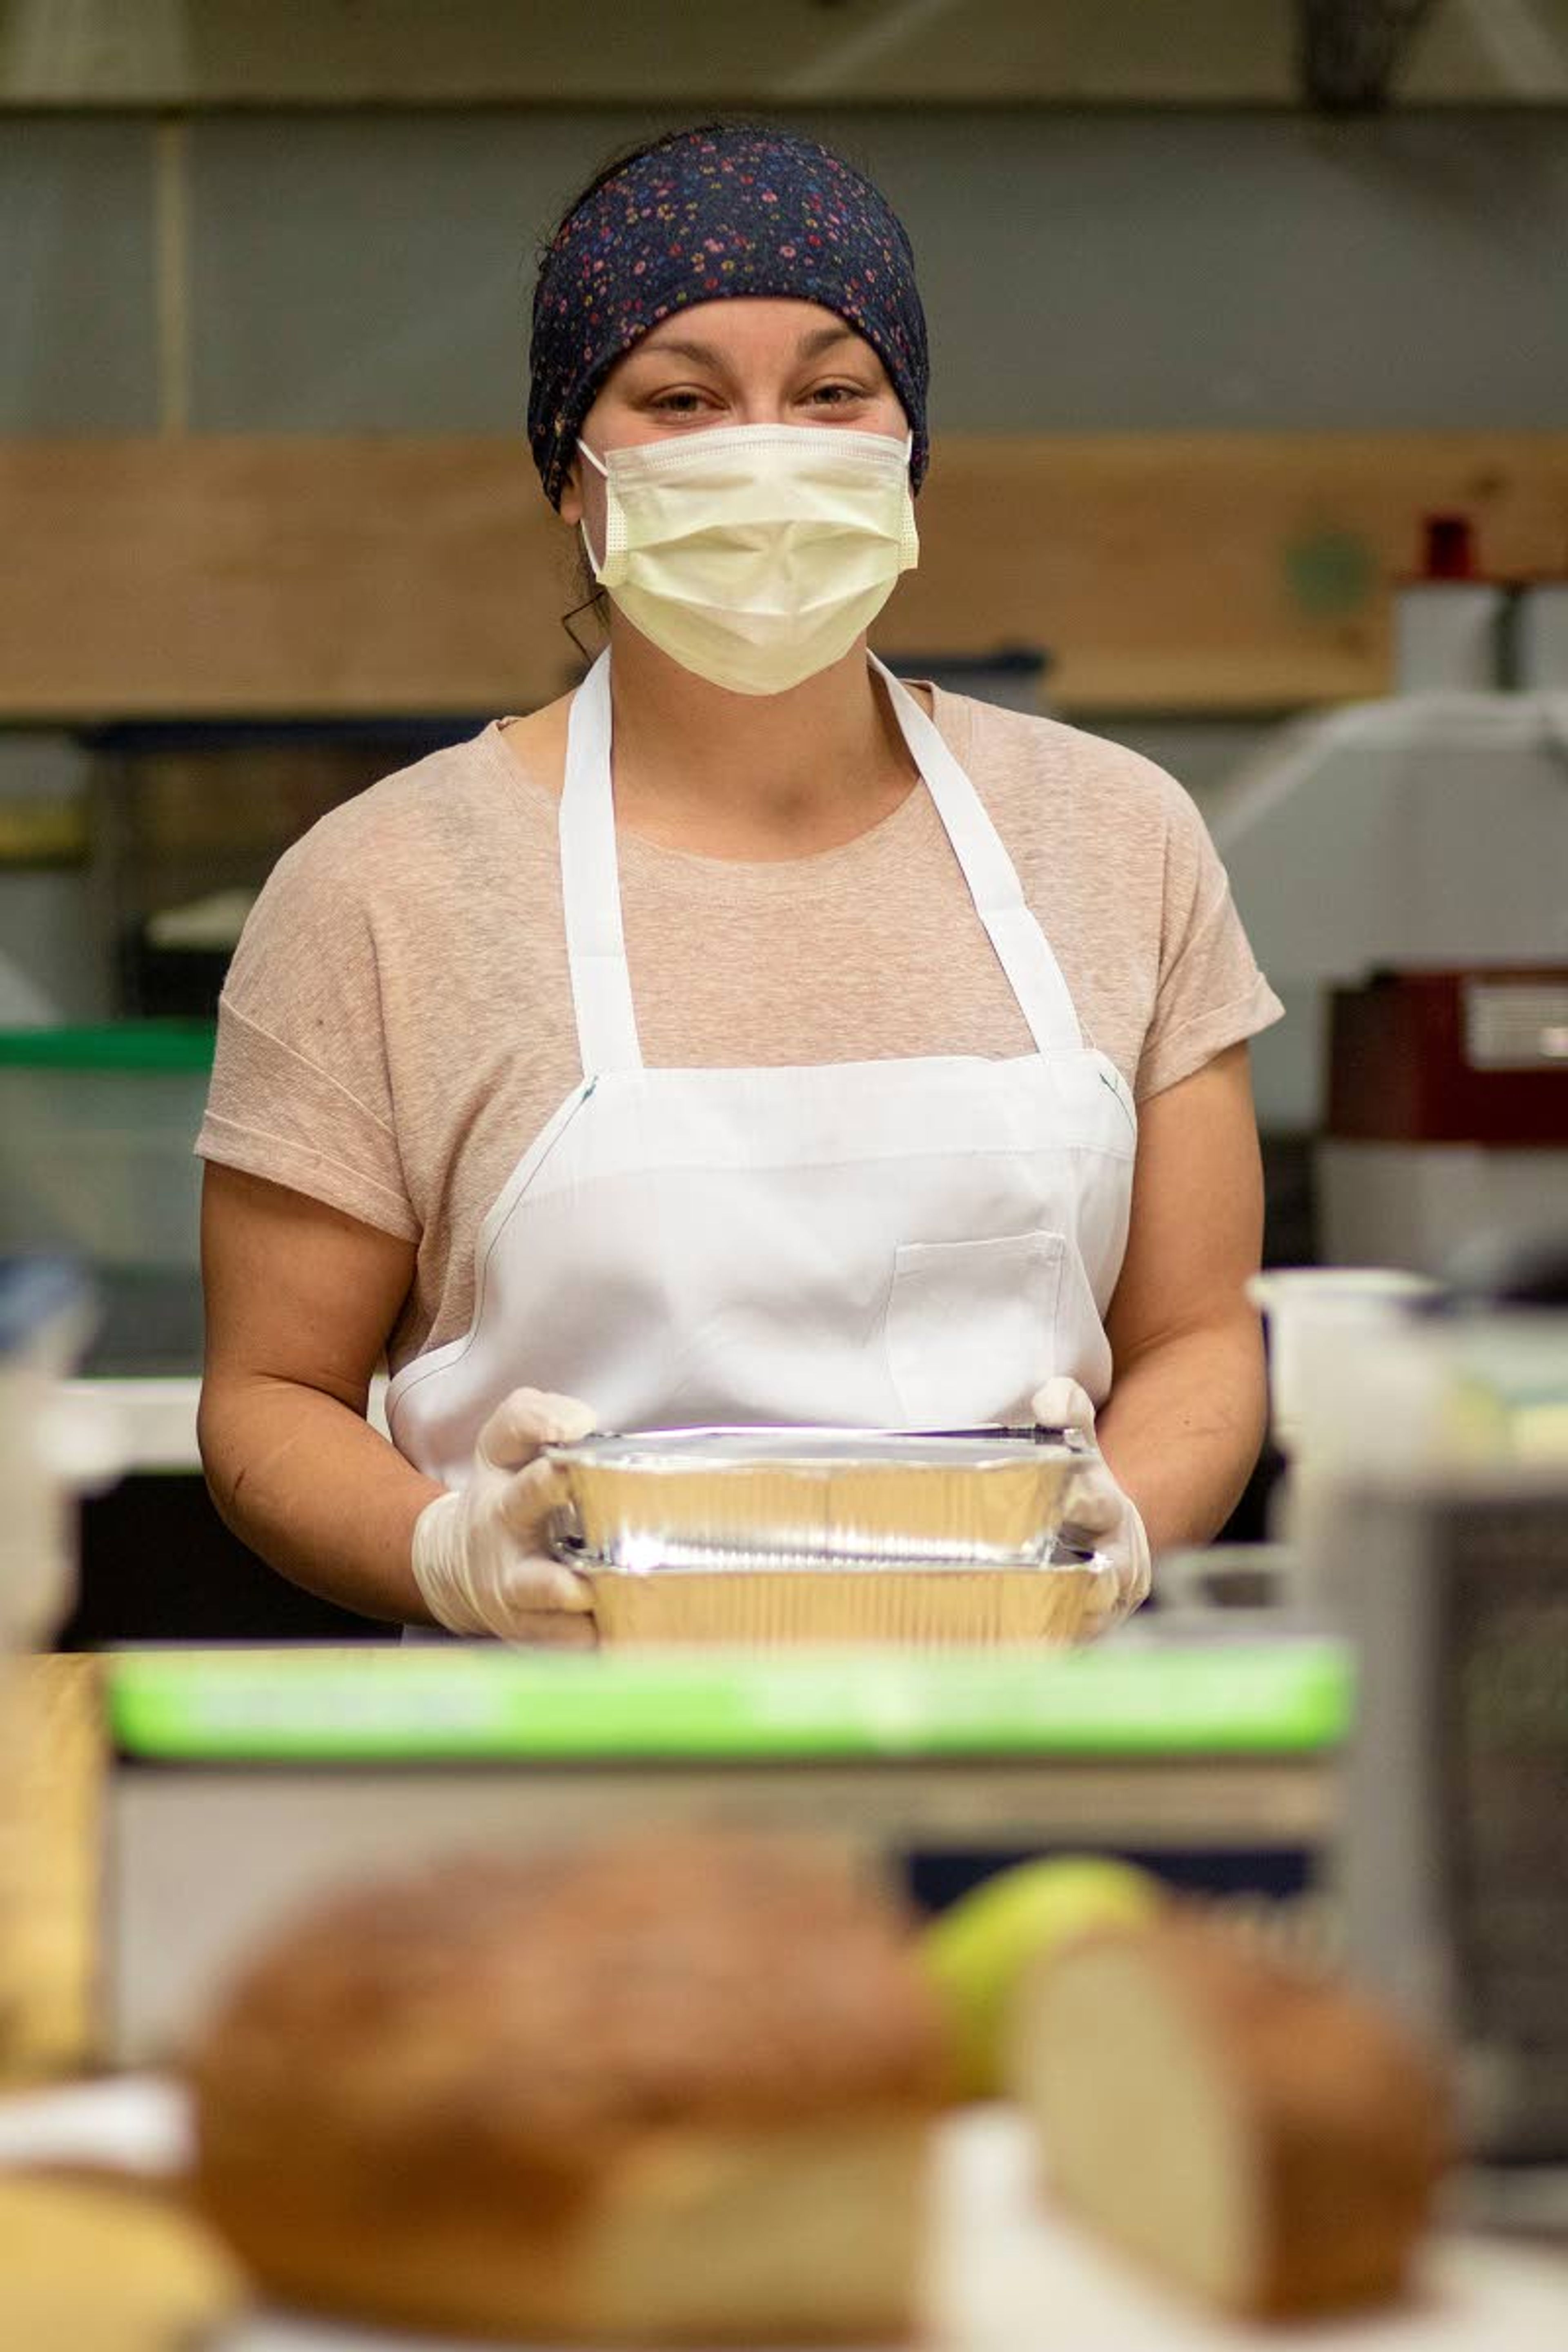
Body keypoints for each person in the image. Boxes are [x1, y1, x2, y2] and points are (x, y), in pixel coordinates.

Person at [196, 121, 1283, 1644]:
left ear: (908, 450)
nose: (764, 448)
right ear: (569, 474)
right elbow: (266, 1399)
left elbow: (1195, 1337)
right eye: (682, 399)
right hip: (551, 1776)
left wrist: (1121, 1537)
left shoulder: (1118, 835)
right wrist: (453, 1555)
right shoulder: (380, 888)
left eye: (833, 392)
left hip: (1031, 1745)